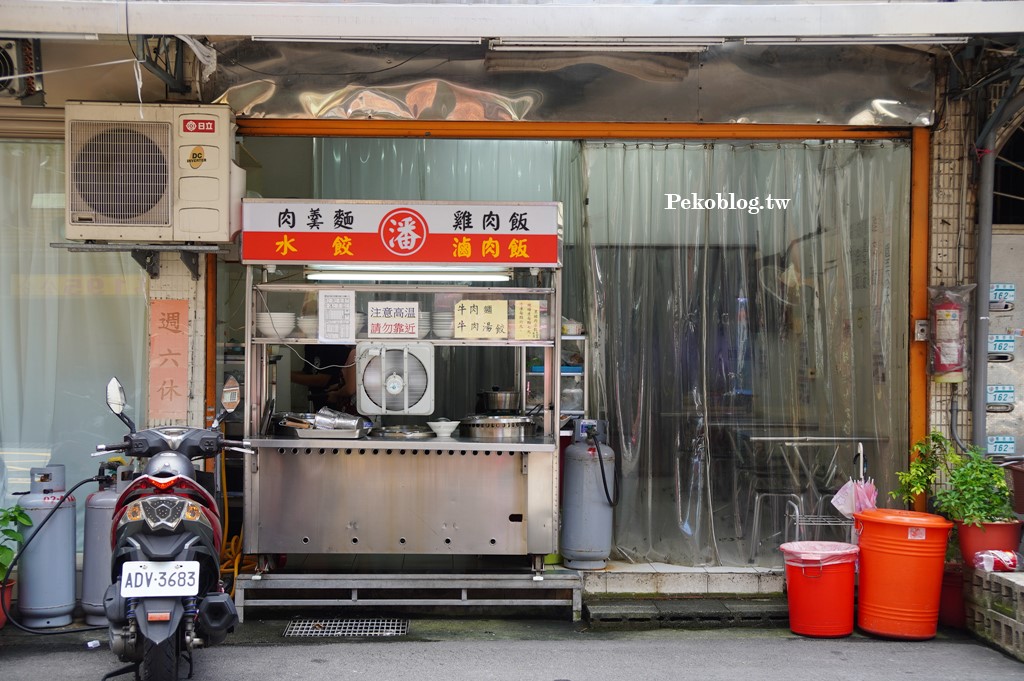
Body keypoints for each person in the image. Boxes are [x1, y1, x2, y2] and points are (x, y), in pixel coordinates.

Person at [291, 344, 357, 413]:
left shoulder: (352, 353)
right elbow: (308, 372)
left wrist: (337, 393)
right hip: (325, 398)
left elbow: (350, 389)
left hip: (342, 404)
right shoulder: (310, 346)